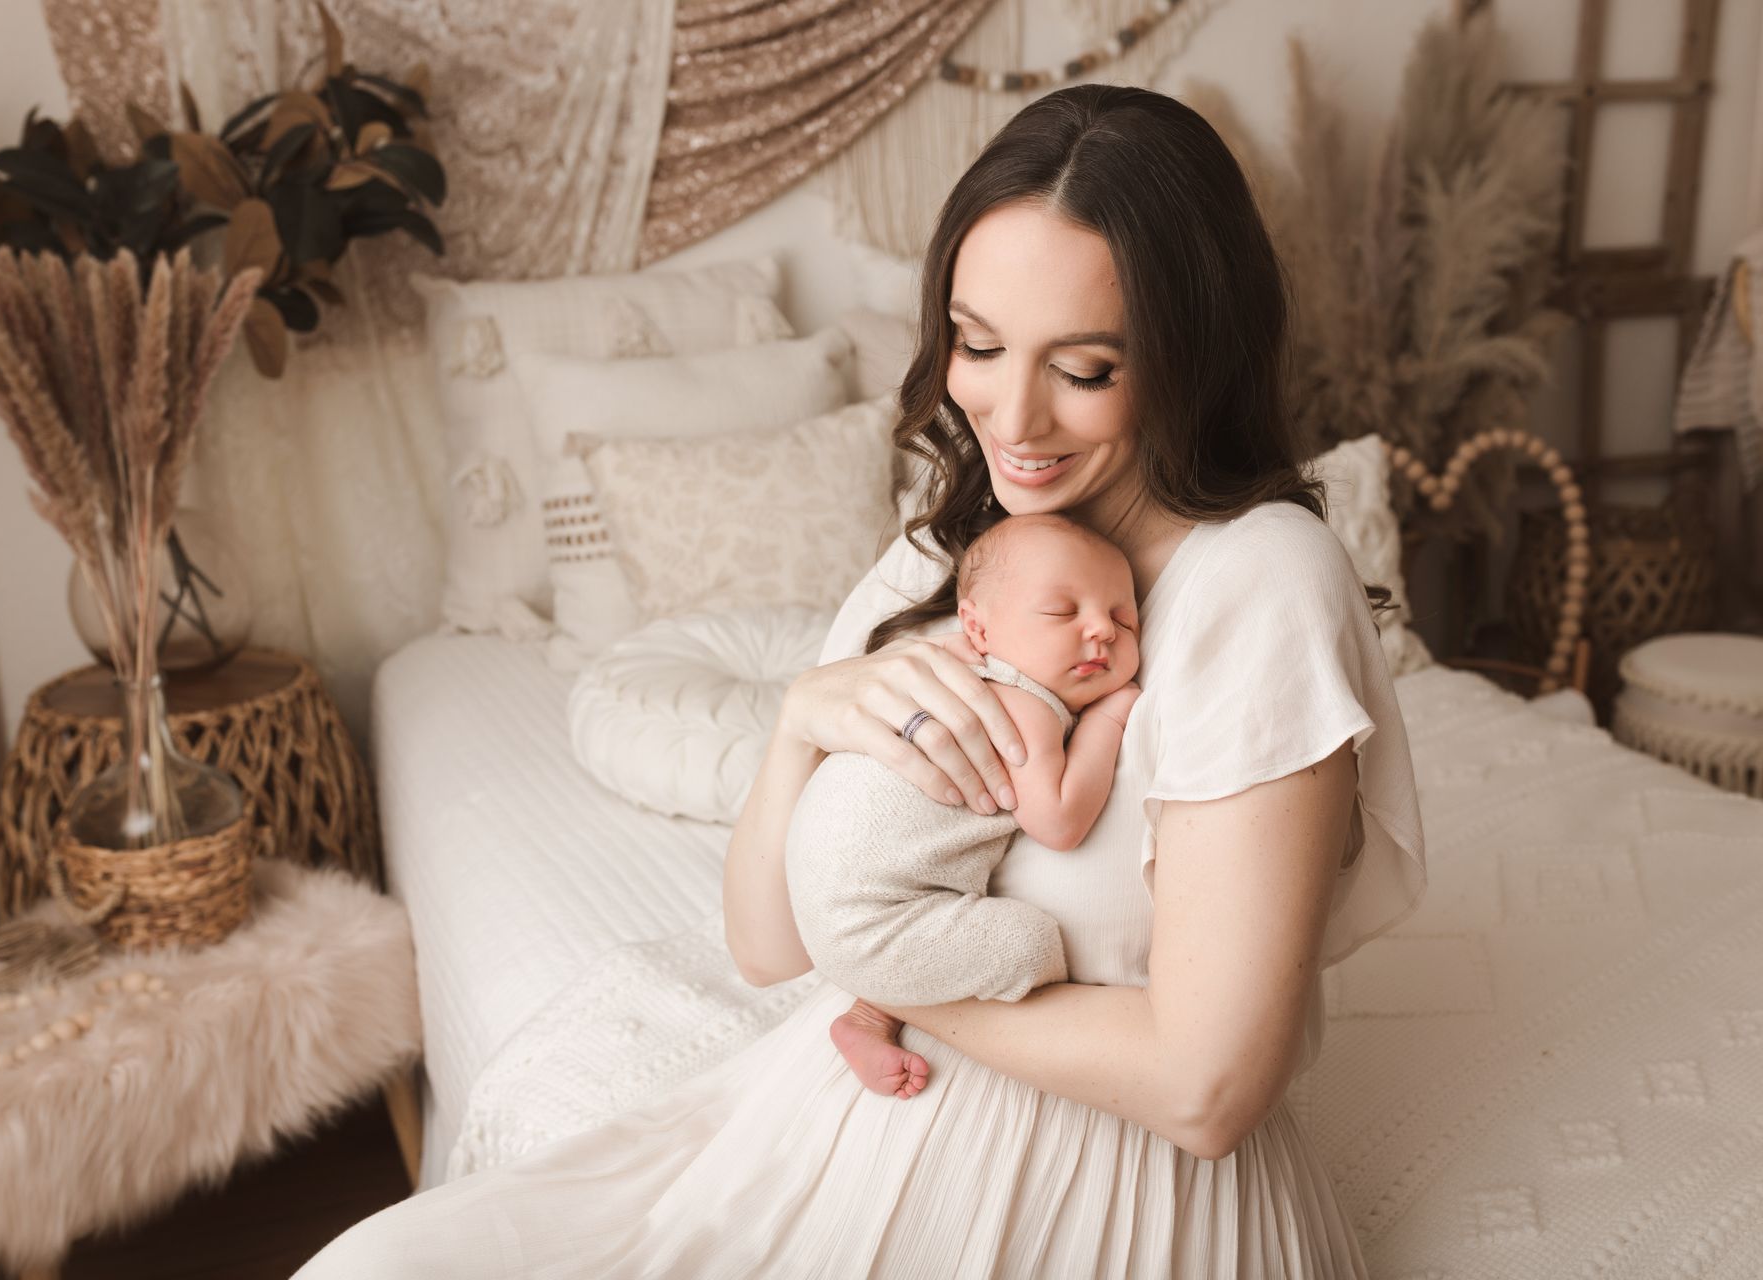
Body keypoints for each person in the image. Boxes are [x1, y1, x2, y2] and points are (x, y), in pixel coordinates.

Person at [294, 82, 1426, 1278]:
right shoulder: (952, 552)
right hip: (845, 1130)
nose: (1013, 418)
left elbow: (1206, 1089)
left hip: (1129, 1202)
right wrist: (799, 724)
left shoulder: (1259, 580)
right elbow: (771, 941)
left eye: (1085, 368)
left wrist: (887, 967)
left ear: (1193, 354)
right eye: (978, 345)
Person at [791, 512, 1144, 1100]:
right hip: (866, 918)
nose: (1102, 631)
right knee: (1031, 944)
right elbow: (1057, 822)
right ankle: (872, 1006)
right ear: (978, 630)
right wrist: (1108, 718)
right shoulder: (1021, 704)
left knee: (941, 931)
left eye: (1124, 619)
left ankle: (870, 1006)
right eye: (1062, 612)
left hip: (837, 904)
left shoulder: (946, 675)